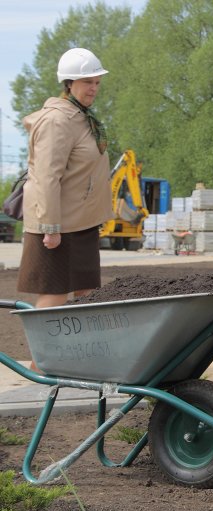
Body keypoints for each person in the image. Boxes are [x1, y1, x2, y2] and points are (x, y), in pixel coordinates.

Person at [18, 48, 113, 315]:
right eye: (87, 82)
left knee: (88, 297)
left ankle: (81, 357)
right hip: (58, 227)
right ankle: (41, 359)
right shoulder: (57, 121)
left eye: (97, 82)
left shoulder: (83, 119)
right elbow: (47, 177)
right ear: (69, 84)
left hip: (80, 223)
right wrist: (51, 226)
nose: (94, 88)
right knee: (54, 296)